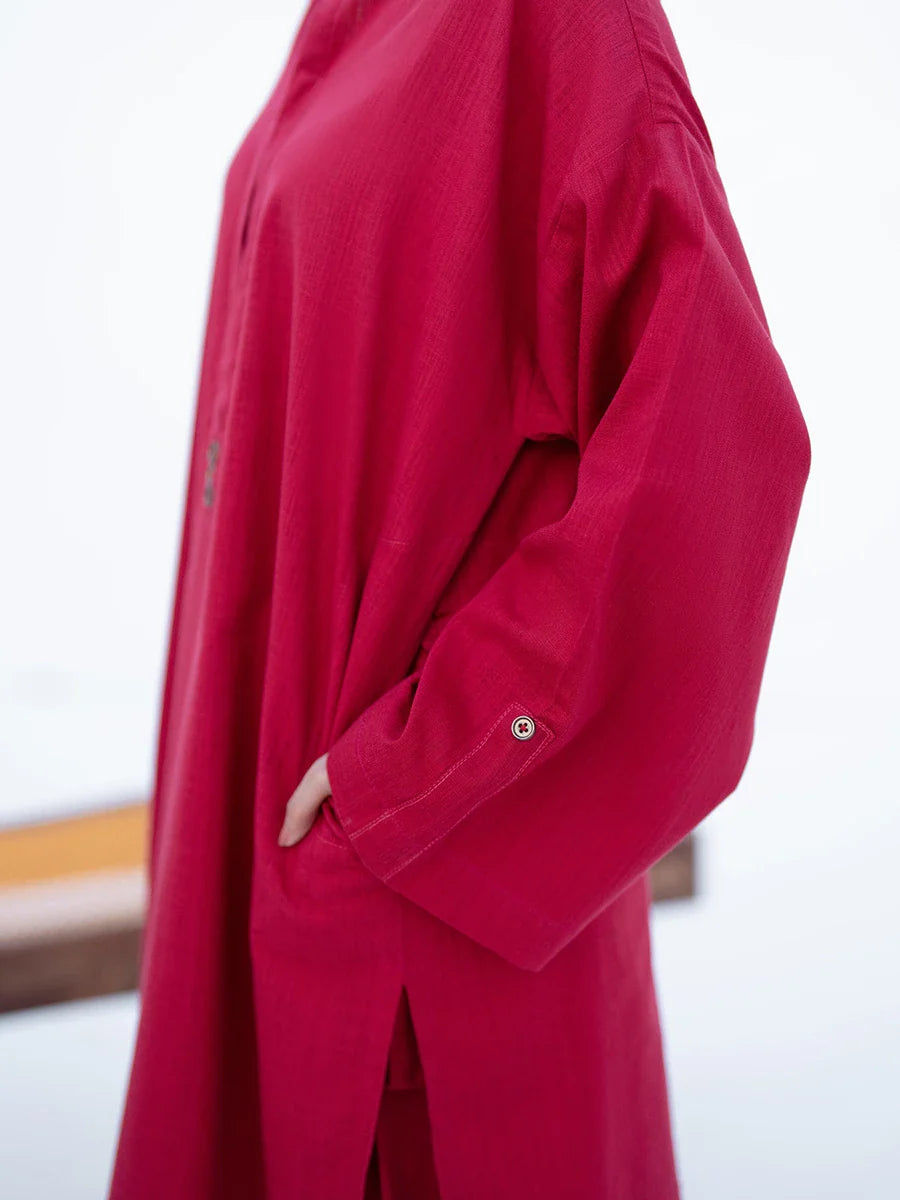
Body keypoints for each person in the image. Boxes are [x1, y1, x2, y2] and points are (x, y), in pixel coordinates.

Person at [107, 1, 812, 1197]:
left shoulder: (559, 22)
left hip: (421, 953)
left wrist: (422, 767)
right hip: (254, 849)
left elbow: (712, 466)